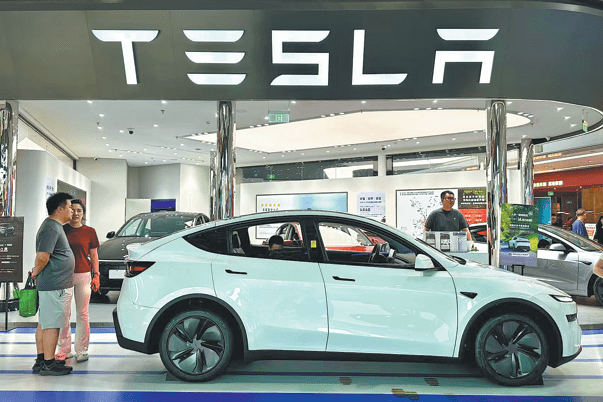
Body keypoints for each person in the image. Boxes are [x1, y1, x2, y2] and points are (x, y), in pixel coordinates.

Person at [31, 192, 75, 376]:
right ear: (60, 209)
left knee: (45, 323)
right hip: (54, 285)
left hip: (53, 284)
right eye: (70, 207)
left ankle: (41, 360)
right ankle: (49, 364)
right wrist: (36, 271)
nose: (73, 211)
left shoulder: (54, 226)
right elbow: (42, 256)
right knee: (51, 326)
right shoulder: (51, 228)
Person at [56, 199, 100, 363]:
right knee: (64, 313)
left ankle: (82, 349)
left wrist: (96, 275)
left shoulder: (90, 231)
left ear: (83, 213)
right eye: (72, 210)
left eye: (79, 210)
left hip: (84, 275)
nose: (75, 213)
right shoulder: (62, 230)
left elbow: (94, 255)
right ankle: (64, 349)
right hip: (64, 276)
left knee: (83, 314)